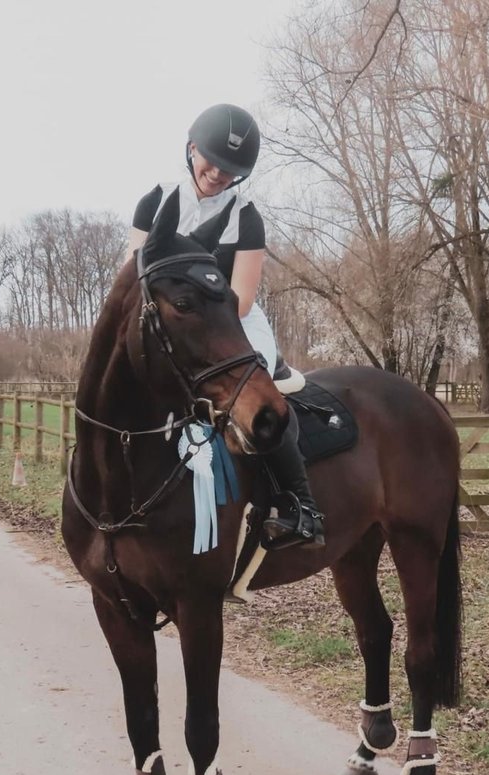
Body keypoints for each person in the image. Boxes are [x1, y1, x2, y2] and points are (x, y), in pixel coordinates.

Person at [126, 103, 325, 549]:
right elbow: (131, 274)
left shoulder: (246, 215)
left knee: (264, 395)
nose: (218, 173)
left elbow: (243, 297)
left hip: (232, 319)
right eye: (211, 161)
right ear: (191, 149)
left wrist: (199, 329)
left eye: (230, 170)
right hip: (165, 317)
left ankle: (300, 507)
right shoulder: (155, 200)